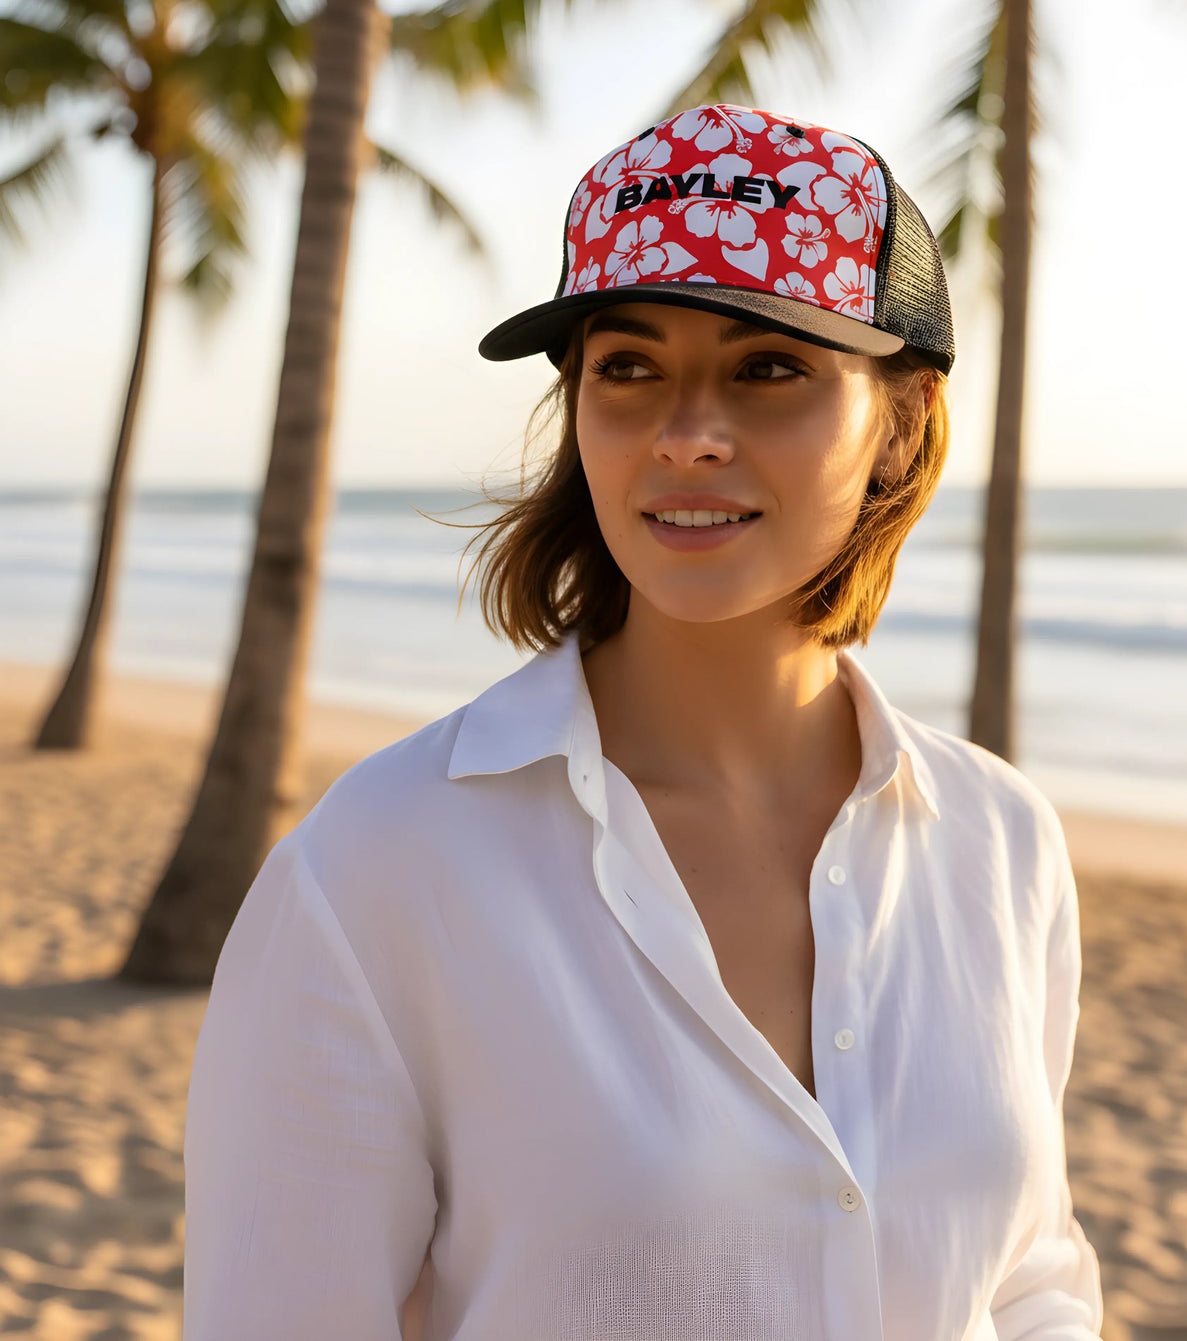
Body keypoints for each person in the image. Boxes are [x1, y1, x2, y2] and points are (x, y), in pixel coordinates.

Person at [182, 103, 1103, 1340]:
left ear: (901, 425)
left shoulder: (999, 843)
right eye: (627, 368)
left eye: (767, 367)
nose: (686, 434)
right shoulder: (379, 869)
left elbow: (1027, 1282)